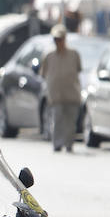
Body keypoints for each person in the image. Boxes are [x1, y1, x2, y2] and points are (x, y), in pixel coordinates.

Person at [40, 24, 82, 152]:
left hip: (71, 93)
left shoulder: (74, 54)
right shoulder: (48, 55)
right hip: (56, 95)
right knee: (57, 119)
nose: (58, 42)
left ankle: (69, 144)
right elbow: (43, 73)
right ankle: (57, 143)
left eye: (60, 39)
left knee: (70, 122)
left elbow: (79, 69)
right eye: (56, 40)